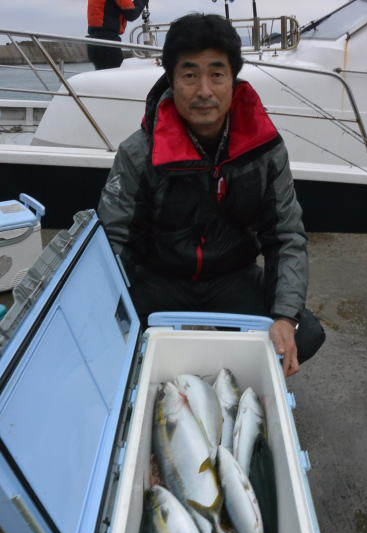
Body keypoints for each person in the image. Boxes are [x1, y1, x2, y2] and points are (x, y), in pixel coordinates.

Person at [98, 13, 325, 376]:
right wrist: (104, 308)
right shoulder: (138, 152)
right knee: (100, 337)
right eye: (189, 75)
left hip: (232, 276)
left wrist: (285, 316)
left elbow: (285, 235)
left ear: (234, 80)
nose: (204, 90)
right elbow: (114, 238)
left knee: (305, 333)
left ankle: (227, 377)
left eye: (217, 74)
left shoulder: (265, 149)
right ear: (171, 80)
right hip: (160, 276)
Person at [87, 0, 146, 70]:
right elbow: (131, 13)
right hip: (107, 43)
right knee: (115, 74)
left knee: (103, 74)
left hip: (93, 42)